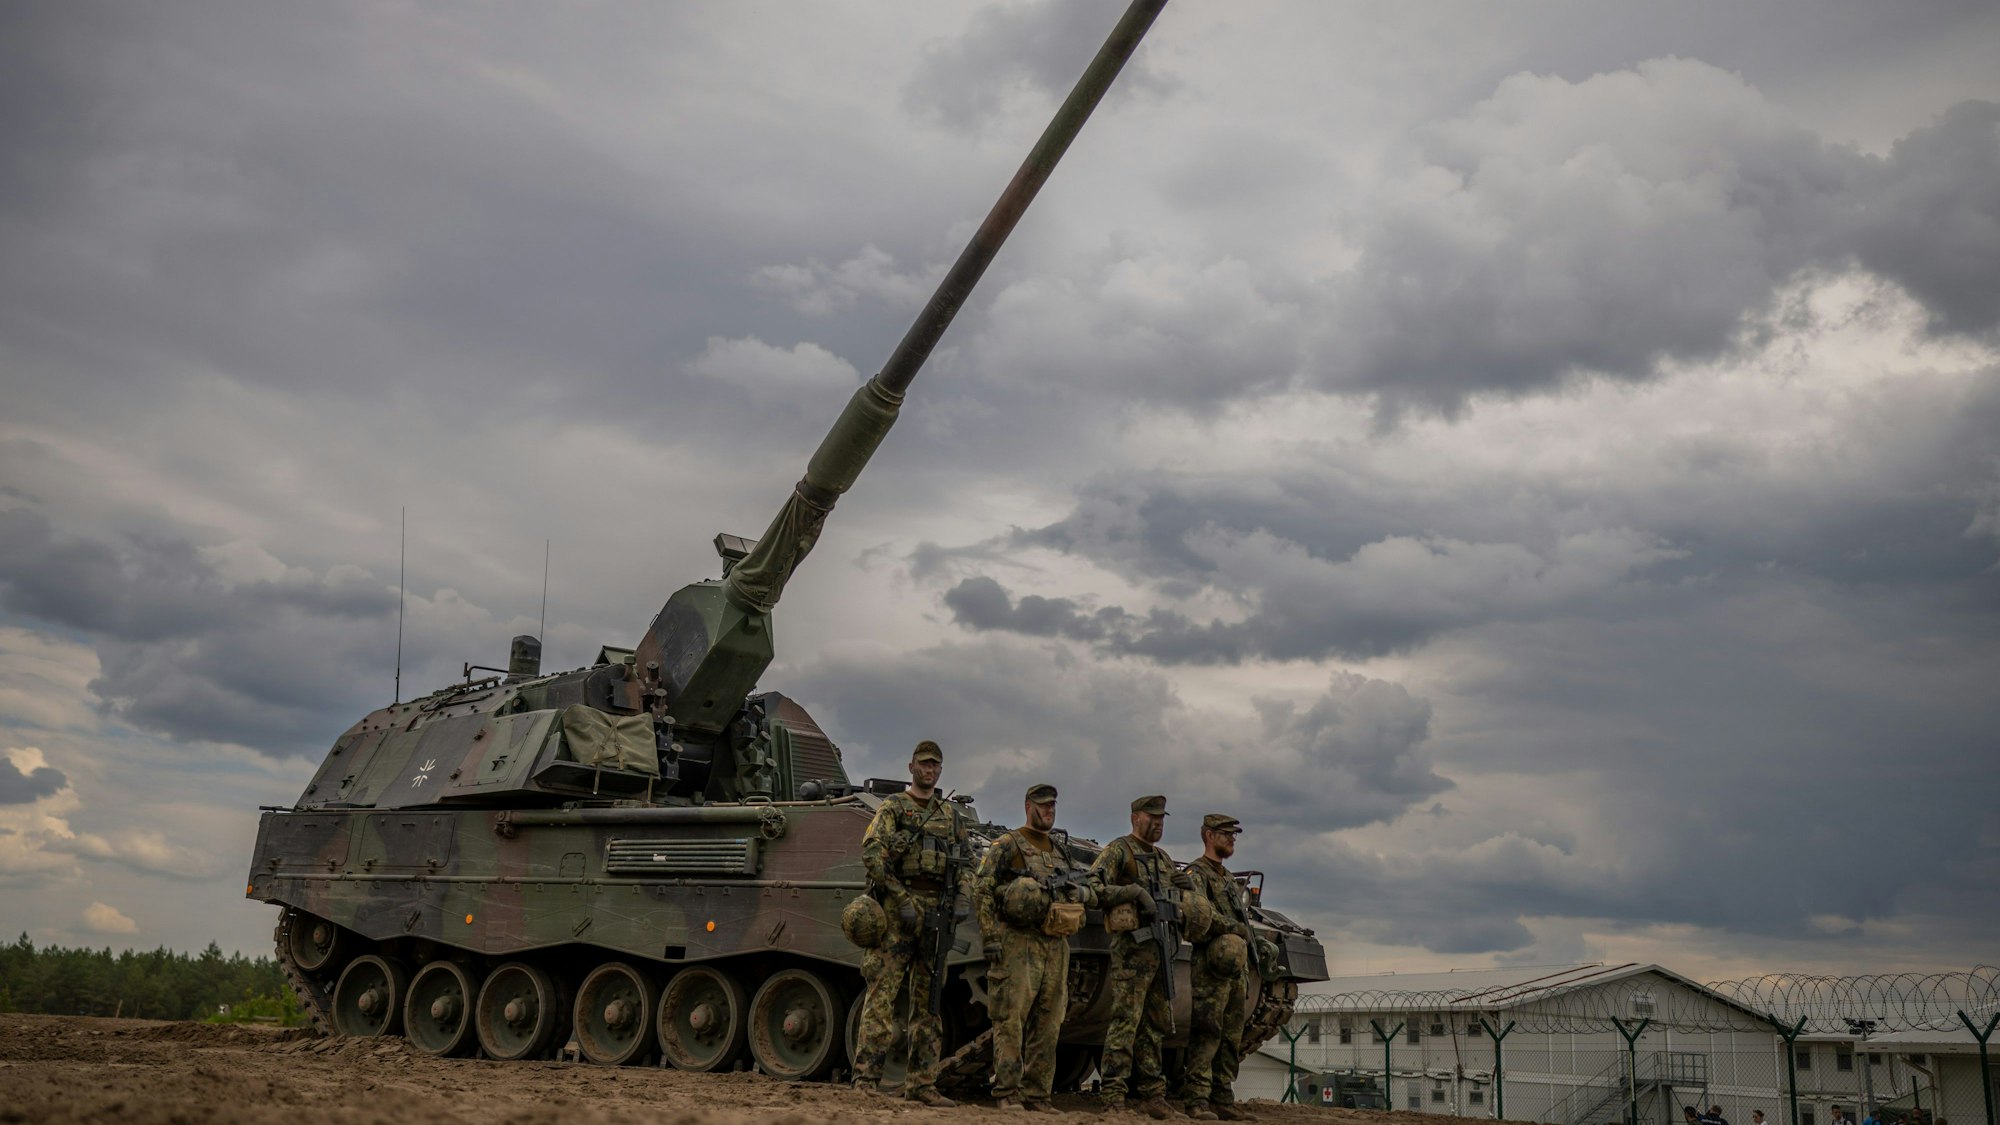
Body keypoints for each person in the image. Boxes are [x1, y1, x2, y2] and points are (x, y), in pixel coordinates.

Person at [853, 740, 969, 1107]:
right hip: (898, 913)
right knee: (882, 997)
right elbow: (872, 853)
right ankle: (866, 1080)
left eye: (935, 765)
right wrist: (900, 899)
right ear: (911, 767)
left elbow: (966, 861)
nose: (930, 770)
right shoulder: (894, 808)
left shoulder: (951, 816)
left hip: (938, 913)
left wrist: (964, 895)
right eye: (924, 764)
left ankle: (922, 1083)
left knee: (929, 1003)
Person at [974, 783, 1085, 1112]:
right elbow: (982, 888)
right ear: (1028, 806)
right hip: (1018, 941)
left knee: (1049, 1022)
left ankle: (1037, 1094)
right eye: (1042, 805)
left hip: (1055, 943)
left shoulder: (1058, 849)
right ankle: (1006, 1092)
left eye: (1052, 805)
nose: (1049, 810)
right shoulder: (1008, 844)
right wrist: (990, 936)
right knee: (1011, 1017)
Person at [1090, 795, 1188, 1119]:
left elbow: (1176, 900)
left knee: (1154, 1026)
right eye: (1152, 817)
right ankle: (1114, 1094)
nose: (1158, 823)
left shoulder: (1163, 858)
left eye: (1162, 818)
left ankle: (1152, 1094)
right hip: (1132, 950)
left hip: (1160, 950)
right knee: (1125, 1023)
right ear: (1135, 818)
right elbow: (1094, 887)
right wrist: (1131, 892)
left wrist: (1186, 892)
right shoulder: (1120, 851)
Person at [1178, 814, 1256, 1122]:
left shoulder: (1226, 878)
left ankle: (1222, 1095)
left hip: (1234, 970)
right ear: (1208, 835)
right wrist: (1236, 928)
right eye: (1226, 834)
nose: (1232, 838)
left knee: (1231, 1035)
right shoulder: (1198, 874)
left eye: (1234, 834)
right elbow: (1199, 918)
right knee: (1207, 1032)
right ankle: (1196, 1098)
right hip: (1210, 966)